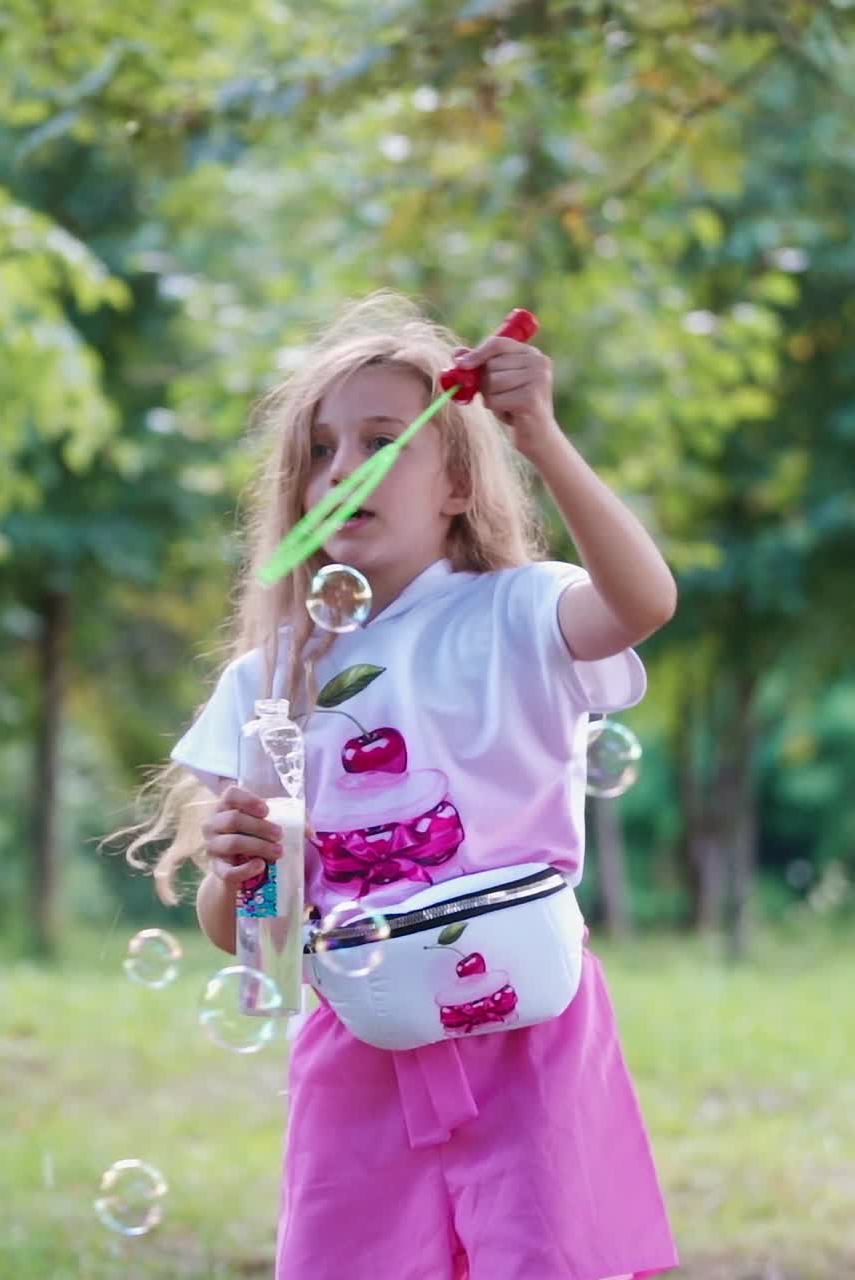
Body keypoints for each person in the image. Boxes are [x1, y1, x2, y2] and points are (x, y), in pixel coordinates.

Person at [119, 292, 679, 1279]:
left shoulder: (518, 613)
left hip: (525, 1030)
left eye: (381, 441)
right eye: (317, 452)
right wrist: (237, 874)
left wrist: (540, 437)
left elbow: (643, 600)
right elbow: (255, 934)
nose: (342, 469)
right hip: (359, 1047)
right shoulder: (268, 680)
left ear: (457, 483)